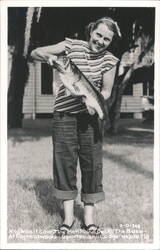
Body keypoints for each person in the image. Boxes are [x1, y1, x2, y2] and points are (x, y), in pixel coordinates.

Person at [30, 16, 121, 236]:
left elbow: (106, 92)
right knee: (65, 164)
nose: (100, 41)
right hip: (63, 116)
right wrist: (51, 59)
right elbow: (35, 53)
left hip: (90, 118)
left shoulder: (110, 60)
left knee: (92, 166)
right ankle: (68, 219)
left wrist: (94, 103)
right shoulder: (70, 46)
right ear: (91, 31)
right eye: (98, 35)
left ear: (110, 42)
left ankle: (89, 219)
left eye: (106, 39)